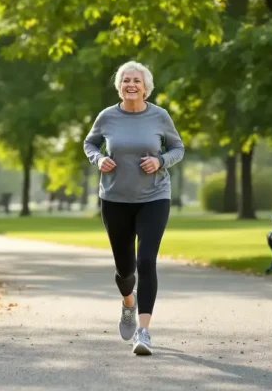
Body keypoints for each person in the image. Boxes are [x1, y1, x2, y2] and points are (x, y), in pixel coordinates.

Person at [83, 61, 184, 355]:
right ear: (119, 86)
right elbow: (90, 144)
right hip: (115, 199)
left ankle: (144, 331)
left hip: (154, 196)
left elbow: (178, 148)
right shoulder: (107, 117)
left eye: (136, 81)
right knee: (125, 269)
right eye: (126, 80)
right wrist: (99, 159)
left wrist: (161, 161)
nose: (131, 85)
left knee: (146, 261)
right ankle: (129, 302)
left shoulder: (159, 116)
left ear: (146, 87)